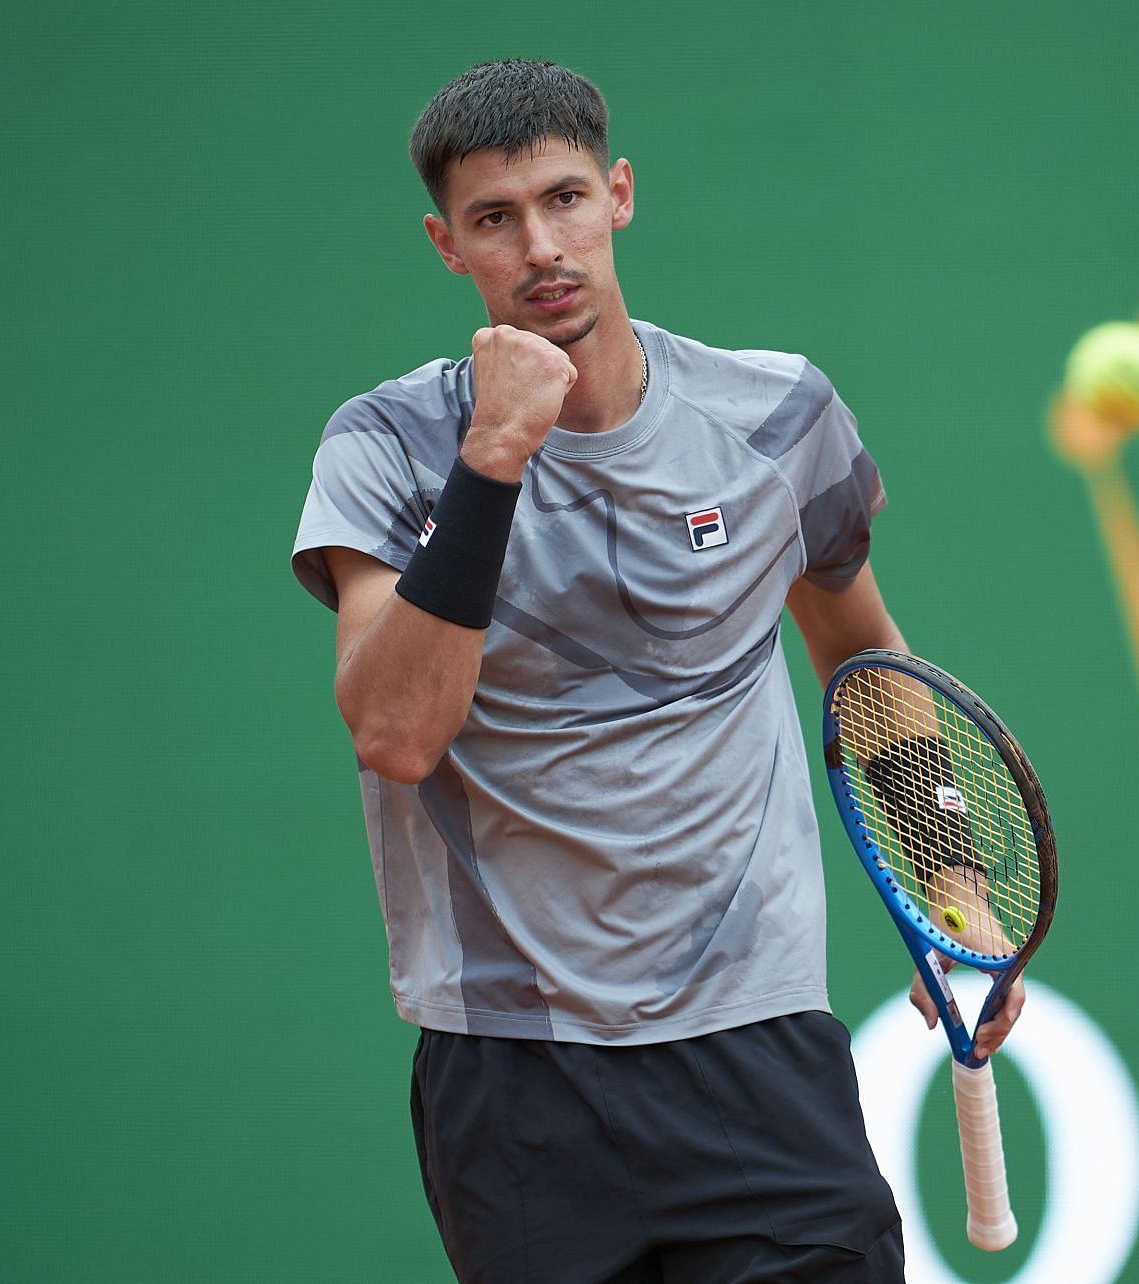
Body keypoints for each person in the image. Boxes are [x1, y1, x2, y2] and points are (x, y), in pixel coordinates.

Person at [290, 59, 1023, 1283]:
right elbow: (396, 733)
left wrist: (950, 878)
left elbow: (862, 656)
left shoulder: (779, 419)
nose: (542, 247)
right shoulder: (390, 446)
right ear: (445, 245)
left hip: (756, 1051)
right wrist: (494, 458)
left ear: (620, 194)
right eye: (495, 219)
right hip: (516, 1078)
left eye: (566, 199)